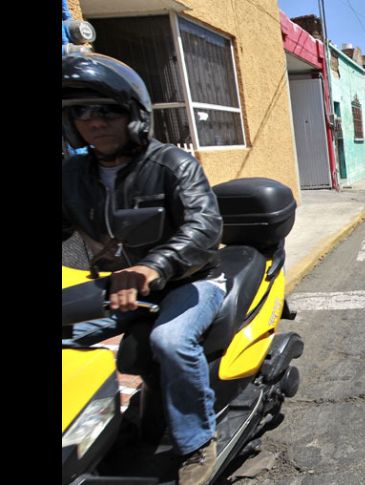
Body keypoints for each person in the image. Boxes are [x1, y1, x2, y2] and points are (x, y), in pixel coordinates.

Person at [62, 52, 225, 485]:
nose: (93, 122)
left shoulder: (173, 164)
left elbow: (204, 226)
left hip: (192, 281)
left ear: (133, 115)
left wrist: (154, 267)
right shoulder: (71, 174)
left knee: (170, 341)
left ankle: (196, 442)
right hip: (116, 288)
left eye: (106, 111)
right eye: (80, 112)